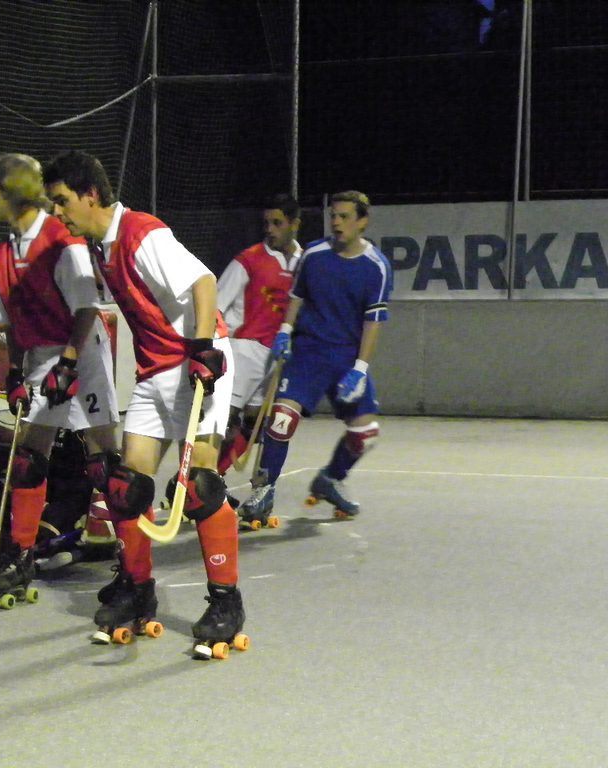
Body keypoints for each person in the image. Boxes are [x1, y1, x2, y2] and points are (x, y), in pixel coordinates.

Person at [43, 150, 245, 655]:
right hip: (155, 371)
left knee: (199, 487)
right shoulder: (99, 246)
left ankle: (226, 602)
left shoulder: (140, 232)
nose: (58, 212)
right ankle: (138, 589)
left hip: (197, 359)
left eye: (62, 200)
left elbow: (203, 281)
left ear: (91, 193)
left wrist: (203, 348)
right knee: (124, 487)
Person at [0, 153, 119, 601]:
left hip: (82, 352)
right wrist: (15, 371)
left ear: (12, 190)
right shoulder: (4, 252)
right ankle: (20, 557)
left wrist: (69, 363)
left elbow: (87, 309)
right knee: (27, 460)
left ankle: (132, 559)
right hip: (41, 356)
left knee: (105, 463)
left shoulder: (61, 240)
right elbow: (10, 321)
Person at [239, 190, 392, 522]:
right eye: (333, 216)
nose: (336, 223)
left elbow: (373, 321)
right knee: (281, 420)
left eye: (344, 217)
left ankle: (330, 479)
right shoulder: (314, 253)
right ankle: (263, 491)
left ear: (363, 221)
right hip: (308, 352)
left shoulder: (377, 267)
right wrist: (285, 330)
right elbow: (297, 296)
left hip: (346, 358)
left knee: (365, 434)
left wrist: (360, 369)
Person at [215, 195, 303, 526]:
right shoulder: (248, 260)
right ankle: (199, 483)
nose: (270, 229)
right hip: (243, 349)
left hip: (276, 357)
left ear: (295, 224)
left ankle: (214, 480)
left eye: (277, 223)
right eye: (267, 223)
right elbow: (216, 305)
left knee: (255, 426)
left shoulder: (305, 263)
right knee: (225, 423)